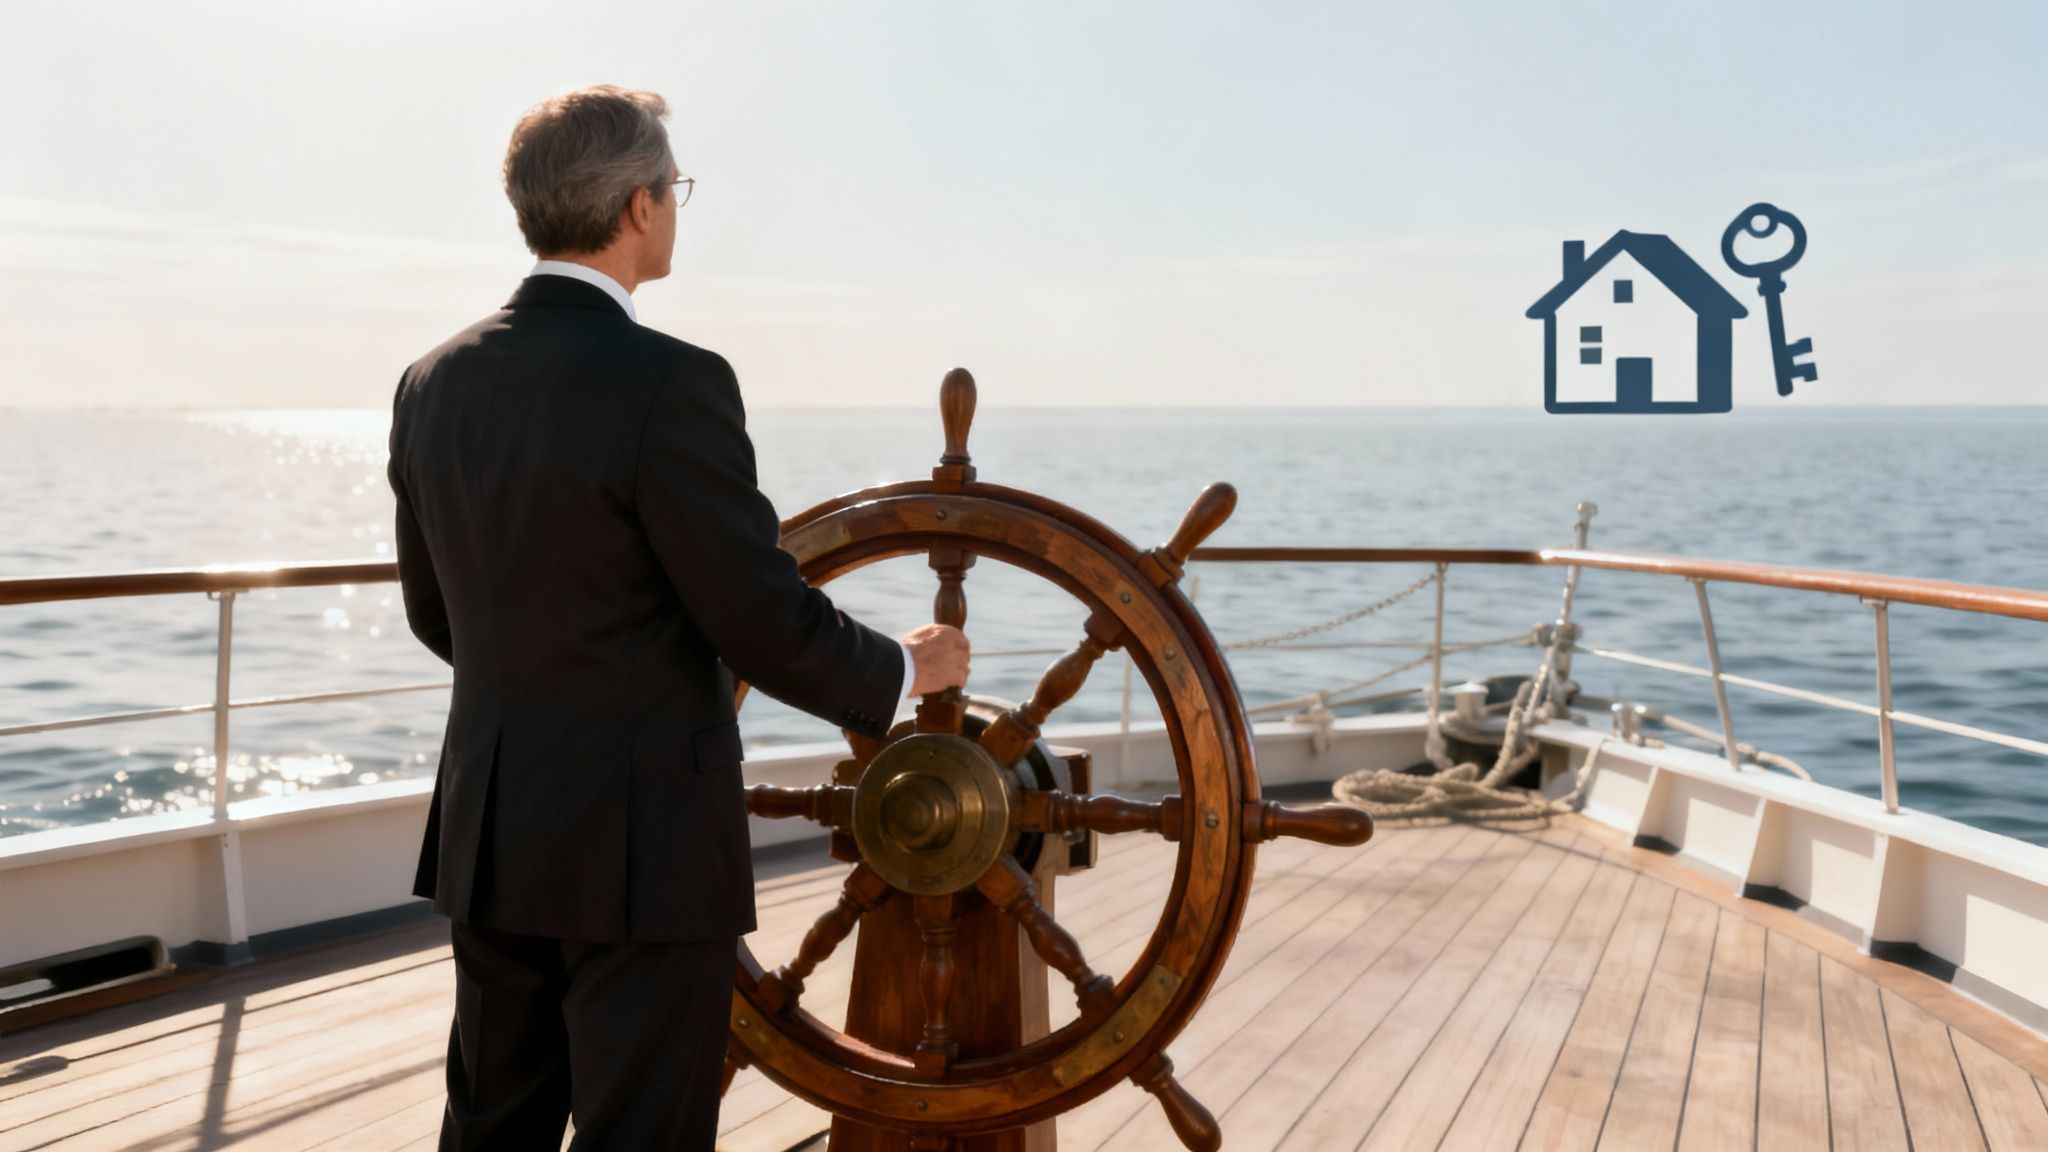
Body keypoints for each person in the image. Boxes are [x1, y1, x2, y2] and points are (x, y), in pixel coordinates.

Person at [387, 84, 971, 1151]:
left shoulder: (431, 383)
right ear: (640, 205)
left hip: (492, 825)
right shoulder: (671, 383)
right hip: (641, 848)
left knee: (489, 1128)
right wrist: (903, 668)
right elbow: (755, 613)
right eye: (674, 188)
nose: (674, 208)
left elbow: (438, 615)